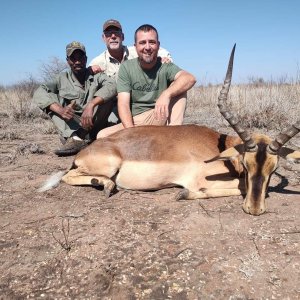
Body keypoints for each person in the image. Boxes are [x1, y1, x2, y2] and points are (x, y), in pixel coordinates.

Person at [97, 24, 196, 138]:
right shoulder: (126, 67)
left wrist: (166, 94)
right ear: (135, 47)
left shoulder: (165, 65)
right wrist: (131, 133)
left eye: (152, 42)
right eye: (142, 42)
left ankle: (173, 135)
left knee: (179, 85)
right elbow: (123, 104)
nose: (147, 47)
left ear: (158, 46)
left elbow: (190, 78)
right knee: (102, 136)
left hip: (161, 115)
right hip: (137, 122)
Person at [32, 41, 117, 156]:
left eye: (80, 57)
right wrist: (60, 110)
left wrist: (92, 104)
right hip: (75, 125)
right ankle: (75, 139)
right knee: (51, 101)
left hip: (96, 123)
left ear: (86, 59)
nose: (77, 61)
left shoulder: (97, 76)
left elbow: (113, 85)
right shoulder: (61, 78)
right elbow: (39, 92)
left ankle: (102, 136)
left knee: (109, 98)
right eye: (73, 58)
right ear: (68, 61)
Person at [89, 19, 172, 79]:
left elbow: (157, 50)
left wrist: (165, 58)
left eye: (117, 33)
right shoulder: (97, 62)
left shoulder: (137, 50)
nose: (113, 36)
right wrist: (90, 70)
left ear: (123, 37)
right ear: (103, 38)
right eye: (108, 34)